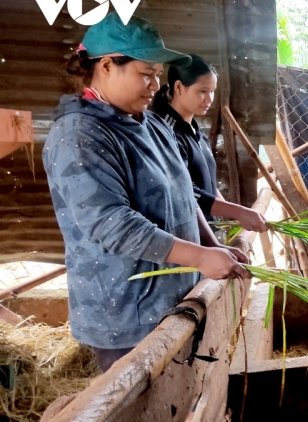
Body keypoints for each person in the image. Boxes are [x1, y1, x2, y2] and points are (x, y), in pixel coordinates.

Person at [43, 13, 251, 373]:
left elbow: (185, 193)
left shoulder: (152, 124)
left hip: (174, 299)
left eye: (157, 75)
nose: (155, 84)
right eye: (145, 73)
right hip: (125, 315)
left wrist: (211, 246)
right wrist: (199, 258)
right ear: (107, 66)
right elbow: (114, 225)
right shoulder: (79, 135)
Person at [152, 55, 267, 233]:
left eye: (212, 91)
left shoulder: (196, 131)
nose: (210, 99)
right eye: (203, 91)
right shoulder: (166, 133)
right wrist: (238, 211)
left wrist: (231, 214)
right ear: (179, 87)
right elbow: (185, 191)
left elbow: (209, 186)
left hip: (206, 233)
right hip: (184, 235)